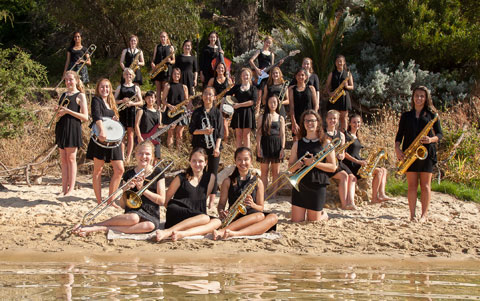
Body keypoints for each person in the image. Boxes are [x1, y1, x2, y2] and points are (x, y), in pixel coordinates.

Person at [74, 141, 166, 236]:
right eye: (140, 153)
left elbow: (161, 201)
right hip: (132, 212)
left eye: (147, 154)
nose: (144, 156)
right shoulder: (129, 174)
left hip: (151, 214)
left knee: (149, 226)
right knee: (134, 218)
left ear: (152, 156)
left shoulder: (158, 172)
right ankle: (95, 226)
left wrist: (142, 189)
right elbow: (122, 205)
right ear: (135, 154)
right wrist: (125, 189)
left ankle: (101, 227)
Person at [395, 86, 443, 222]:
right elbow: (399, 135)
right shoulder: (406, 116)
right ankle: (412, 215)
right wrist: (398, 149)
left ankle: (424, 215)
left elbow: (440, 134)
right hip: (410, 153)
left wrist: (430, 139)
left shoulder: (432, 115)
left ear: (426, 98)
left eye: (422, 96)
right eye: (417, 95)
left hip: (426, 153)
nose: (419, 98)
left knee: (426, 185)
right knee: (412, 186)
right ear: (413, 97)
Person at [155, 148, 221, 241]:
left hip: (196, 214)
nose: (197, 164)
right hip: (177, 211)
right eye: (194, 161)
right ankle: (168, 231)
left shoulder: (211, 177)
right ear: (190, 161)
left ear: (206, 162)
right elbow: (166, 200)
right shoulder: (181, 177)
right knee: (205, 218)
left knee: (217, 222)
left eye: (200, 161)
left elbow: (202, 198)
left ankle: (182, 233)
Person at [214, 147, 278, 240]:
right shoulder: (227, 181)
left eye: (246, 159)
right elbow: (221, 204)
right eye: (239, 159)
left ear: (251, 161)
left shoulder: (258, 182)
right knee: (260, 216)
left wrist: (252, 204)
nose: (243, 163)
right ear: (235, 161)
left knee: (274, 217)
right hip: (235, 218)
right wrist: (221, 212)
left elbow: (260, 207)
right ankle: (226, 231)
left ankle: (235, 234)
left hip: (254, 218)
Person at [289, 110, 336, 222]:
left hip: (317, 184)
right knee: (296, 221)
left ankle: (323, 215)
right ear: (303, 123)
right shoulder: (297, 144)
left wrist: (315, 163)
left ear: (318, 123)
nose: (310, 123)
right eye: (307, 121)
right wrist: (297, 165)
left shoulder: (325, 143)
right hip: (300, 184)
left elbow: (333, 167)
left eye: (312, 121)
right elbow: (290, 167)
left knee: (313, 221)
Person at [86, 78, 125, 205]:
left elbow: (111, 120)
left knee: (119, 169)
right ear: (98, 88)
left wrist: (114, 119)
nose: (105, 89)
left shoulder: (111, 102)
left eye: (107, 87)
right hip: (101, 139)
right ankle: (99, 200)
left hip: (113, 141)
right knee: (98, 170)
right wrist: (101, 130)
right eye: (102, 87)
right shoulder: (96, 100)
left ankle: (111, 200)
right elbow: (96, 116)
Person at [54, 71, 89, 196]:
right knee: (63, 159)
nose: (69, 82)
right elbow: (59, 113)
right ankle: (64, 188)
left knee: (71, 158)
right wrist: (58, 111)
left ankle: (71, 189)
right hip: (62, 126)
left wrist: (68, 111)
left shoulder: (81, 96)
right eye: (67, 80)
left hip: (73, 127)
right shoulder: (63, 95)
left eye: (71, 79)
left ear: (76, 80)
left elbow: (85, 117)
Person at [344, 114, 391, 204]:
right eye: (354, 122)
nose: (356, 124)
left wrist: (366, 160)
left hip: (359, 161)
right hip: (352, 164)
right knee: (379, 171)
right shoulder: (347, 136)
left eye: (358, 122)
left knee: (384, 170)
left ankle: (381, 194)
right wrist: (358, 161)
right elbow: (344, 153)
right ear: (349, 123)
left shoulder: (357, 136)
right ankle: (374, 198)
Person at [189, 87, 224, 208]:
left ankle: (211, 200)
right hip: (199, 147)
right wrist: (204, 131)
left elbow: (220, 133)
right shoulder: (197, 112)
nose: (207, 96)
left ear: (214, 97)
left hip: (214, 147)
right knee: (199, 172)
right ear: (202, 96)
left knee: (213, 173)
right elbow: (192, 130)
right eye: (205, 94)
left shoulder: (217, 113)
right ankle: (199, 196)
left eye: (210, 94)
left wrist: (217, 148)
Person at [325, 110, 357, 210]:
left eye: (334, 118)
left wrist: (341, 155)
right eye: (330, 118)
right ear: (326, 119)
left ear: (338, 120)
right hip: (328, 162)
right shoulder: (323, 133)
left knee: (352, 177)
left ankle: (350, 202)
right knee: (344, 176)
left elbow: (342, 152)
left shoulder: (341, 135)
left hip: (338, 162)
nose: (332, 120)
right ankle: (344, 204)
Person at [256, 95, 285, 196]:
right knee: (264, 172)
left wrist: (282, 148)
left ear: (277, 104)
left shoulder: (281, 118)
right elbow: (259, 133)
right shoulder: (262, 117)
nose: (272, 104)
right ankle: (263, 193)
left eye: (274, 102)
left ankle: (274, 193)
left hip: (276, 145)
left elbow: (282, 134)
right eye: (270, 102)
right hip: (265, 144)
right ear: (267, 104)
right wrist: (258, 147)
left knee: (275, 172)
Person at [115, 68, 144, 163]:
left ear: (133, 76)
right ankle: (122, 156)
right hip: (122, 112)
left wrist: (132, 103)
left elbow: (141, 102)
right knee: (122, 135)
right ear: (124, 76)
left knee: (131, 135)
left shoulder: (136, 88)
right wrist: (122, 101)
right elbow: (114, 101)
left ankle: (128, 157)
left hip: (131, 111)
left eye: (130, 75)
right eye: (126, 74)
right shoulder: (120, 87)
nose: (128, 76)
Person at [227, 68, 257, 148]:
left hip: (248, 113)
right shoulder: (236, 87)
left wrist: (239, 105)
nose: (245, 77)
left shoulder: (253, 88)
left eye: (247, 75)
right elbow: (227, 95)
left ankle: (248, 157)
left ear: (250, 76)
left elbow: (253, 102)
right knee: (239, 136)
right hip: (238, 114)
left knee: (246, 136)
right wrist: (231, 103)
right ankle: (238, 156)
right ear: (241, 76)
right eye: (243, 75)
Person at [162, 68, 189, 149]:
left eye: (178, 74)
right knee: (170, 132)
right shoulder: (168, 85)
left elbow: (186, 100)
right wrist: (169, 106)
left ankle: (178, 151)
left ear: (180, 75)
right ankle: (170, 151)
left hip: (181, 111)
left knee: (179, 133)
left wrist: (186, 102)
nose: (176, 75)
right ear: (172, 75)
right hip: (171, 110)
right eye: (175, 74)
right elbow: (163, 100)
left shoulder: (184, 87)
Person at [325, 55, 354, 132]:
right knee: (334, 118)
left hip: (344, 96)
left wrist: (347, 86)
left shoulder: (348, 74)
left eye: (341, 61)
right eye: (338, 61)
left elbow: (352, 87)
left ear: (344, 62)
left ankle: (344, 135)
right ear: (335, 63)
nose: (339, 63)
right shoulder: (332, 74)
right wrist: (330, 93)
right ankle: (334, 134)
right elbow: (327, 86)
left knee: (344, 117)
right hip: (335, 97)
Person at [207, 62, 234, 141]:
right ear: (216, 69)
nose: (220, 69)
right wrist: (213, 97)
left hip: (225, 104)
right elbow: (208, 91)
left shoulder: (228, 80)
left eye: (222, 68)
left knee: (224, 124)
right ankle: (214, 140)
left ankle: (225, 142)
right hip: (215, 103)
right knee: (214, 123)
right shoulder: (212, 80)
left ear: (225, 69)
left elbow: (232, 93)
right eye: (218, 68)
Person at [289, 68, 318, 139]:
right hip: (297, 118)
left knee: (310, 139)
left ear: (306, 77)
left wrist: (313, 117)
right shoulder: (292, 90)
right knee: (297, 142)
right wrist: (293, 122)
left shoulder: (311, 88)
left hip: (309, 118)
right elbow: (291, 107)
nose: (300, 77)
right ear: (295, 77)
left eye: (302, 75)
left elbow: (316, 105)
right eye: (298, 75)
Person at [249, 36, 275, 111]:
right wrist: (256, 69)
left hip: (268, 75)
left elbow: (272, 65)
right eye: (267, 42)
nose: (268, 44)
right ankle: (257, 110)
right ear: (264, 42)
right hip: (261, 74)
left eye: (270, 43)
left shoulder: (272, 54)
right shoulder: (259, 51)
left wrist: (278, 65)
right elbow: (251, 60)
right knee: (259, 92)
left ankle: (267, 109)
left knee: (268, 92)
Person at [135, 91, 162, 161]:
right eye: (148, 98)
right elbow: (136, 124)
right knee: (145, 158)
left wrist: (169, 126)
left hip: (155, 138)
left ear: (155, 99)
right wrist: (139, 136)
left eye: (152, 98)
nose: (150, 100)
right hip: (144, 137)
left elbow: (159, 126)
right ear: (145, 99)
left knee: (155, 159)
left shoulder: (158, 112)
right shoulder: (141, 110)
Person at [151, 31, 175, 106]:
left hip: (166, 70)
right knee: (158, 89)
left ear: (167, 37)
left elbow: (174, 60)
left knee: (165, 89)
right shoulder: (157, 46)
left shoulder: (171, 47)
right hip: (158, 69)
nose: (163, 38)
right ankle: (158, 106)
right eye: (161, 37)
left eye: (164, 37)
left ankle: (164, 107)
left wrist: (170, 61)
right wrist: (153, 64)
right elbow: (153, 59)